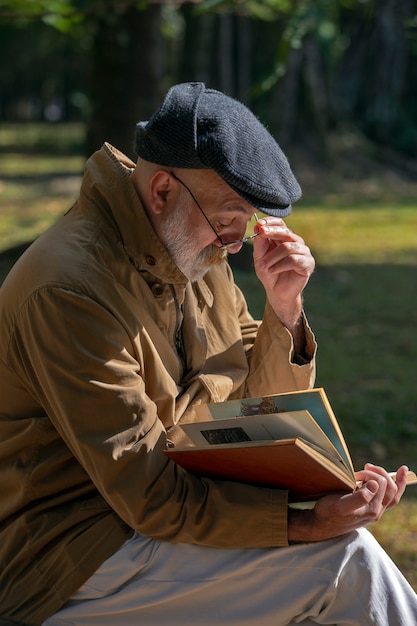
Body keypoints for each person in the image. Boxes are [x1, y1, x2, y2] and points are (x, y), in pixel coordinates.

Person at [0, 82, 415, 626]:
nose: (236, 242)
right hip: (68, 560)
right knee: (341, 563)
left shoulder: (188, 248)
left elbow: (256, 415)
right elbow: (149, 492)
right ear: (163, 190)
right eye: (229, 214)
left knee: (341, 554)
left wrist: (284, 309)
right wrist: (307, 522)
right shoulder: (70, 290)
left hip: (163, 525)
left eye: (247, 220)